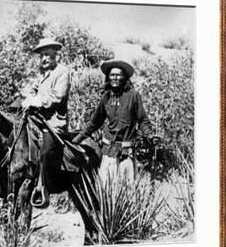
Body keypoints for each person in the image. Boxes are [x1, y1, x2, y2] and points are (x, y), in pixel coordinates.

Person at [73, 59, 160, 186]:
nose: (115, 78)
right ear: (108, 77)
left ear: (124, 76)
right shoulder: (106, 97)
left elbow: (143, 121)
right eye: (112, 75)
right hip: (108, 152)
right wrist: (78, 138)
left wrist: (150, 136)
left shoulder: (133, 96)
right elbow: (94, 122)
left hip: (126, 152)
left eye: (118, 74)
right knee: (106, 190)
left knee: (127, 191)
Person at [21, 37, 71, 207]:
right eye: (42, 56)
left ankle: (44, 189)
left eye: (48, 55)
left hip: (53, 122)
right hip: (36, 120)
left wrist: (37, 100)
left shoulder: (62, 72)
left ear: (55, 55)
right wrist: (27, 95)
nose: (44, 59)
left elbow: (57, 96)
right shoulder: (41, 73)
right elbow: (32, 88)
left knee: (45, 153)